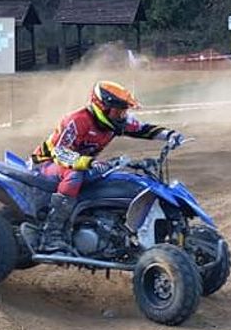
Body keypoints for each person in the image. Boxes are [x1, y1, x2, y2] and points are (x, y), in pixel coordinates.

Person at [30, 80, 184, 253]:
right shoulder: (77, 120)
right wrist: (88, 163)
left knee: (117, 177)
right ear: (102, 107)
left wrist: (170, 135)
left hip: (78, 164)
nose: (122, 115)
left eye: (124, 111)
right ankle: (52, 234)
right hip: (46, 164)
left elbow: (143, 129)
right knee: (75, 175)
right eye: (118, 111)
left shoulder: (114, 122)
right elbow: (60, 153)